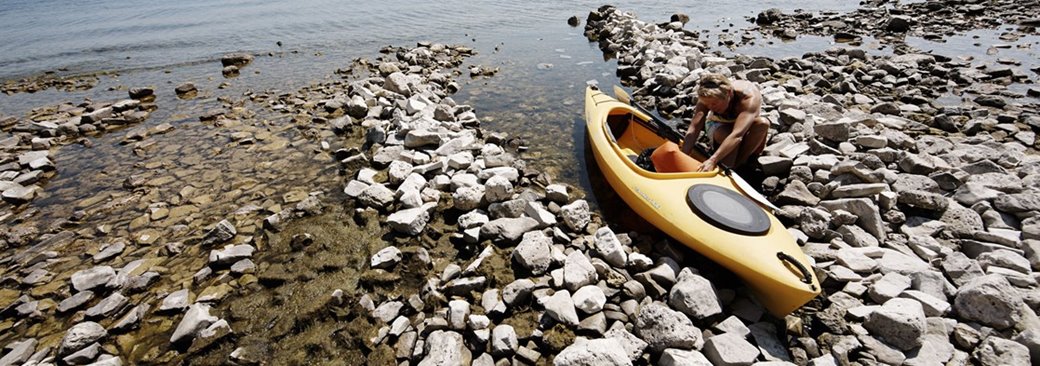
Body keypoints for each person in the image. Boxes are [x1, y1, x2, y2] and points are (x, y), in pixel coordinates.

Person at [650, 73, 769, 173]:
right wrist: (683, 155)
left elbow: (737, 135)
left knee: (763, 124)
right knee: (727, 136)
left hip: (740, 127)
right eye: (707, 105)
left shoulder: (748, 100)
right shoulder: (706, 96)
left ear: (728, 93)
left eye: (714, 104)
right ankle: (728, 165)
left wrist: (713, 160)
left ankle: (739, 165)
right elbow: (694, 127)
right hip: (718, 124)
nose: (710, 108)